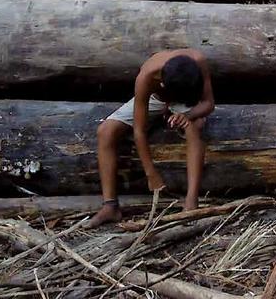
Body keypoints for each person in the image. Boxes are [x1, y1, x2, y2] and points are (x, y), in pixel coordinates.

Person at [88, 49, 215, 227]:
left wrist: (189, 115)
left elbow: (209, 103)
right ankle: (110, 206)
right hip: (156, 98)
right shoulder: (146, 77)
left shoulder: (197, 62)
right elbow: (139, 130)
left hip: (186, 98)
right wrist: (151, 173)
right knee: (105, 131)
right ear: (162, 84)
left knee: (195, 127)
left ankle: (191, 202)